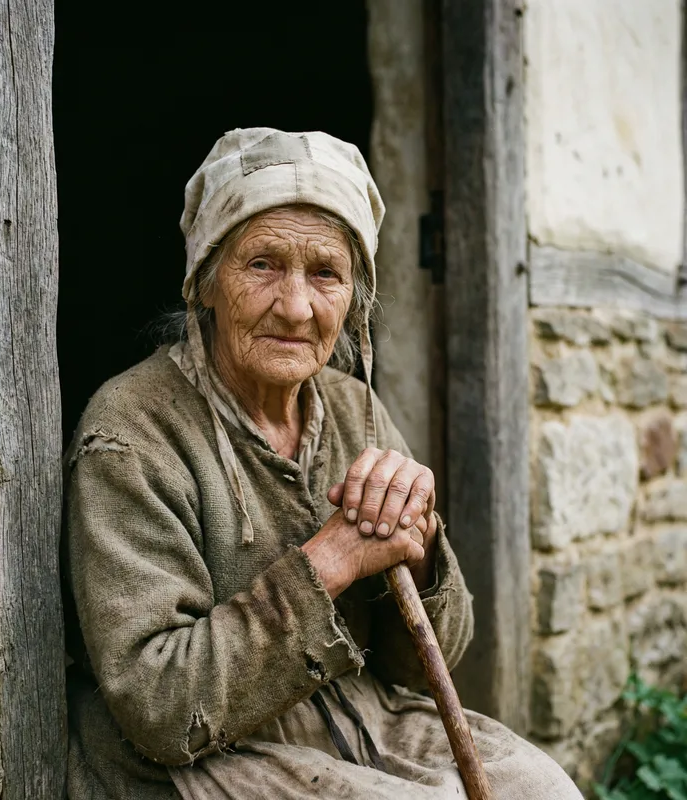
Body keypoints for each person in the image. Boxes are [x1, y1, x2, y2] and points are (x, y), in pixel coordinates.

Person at [64, 128, 582, 799]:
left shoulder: (350, 407)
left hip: (355, 713)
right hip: (197, 757)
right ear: (206, 282)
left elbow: (432, 663)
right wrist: (332, 560)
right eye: (262, 265)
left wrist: (417, 548)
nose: (297, 306)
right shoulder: (131, 432)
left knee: (543, 791)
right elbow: (161, 708)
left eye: (325, 273)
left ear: (354, 300)